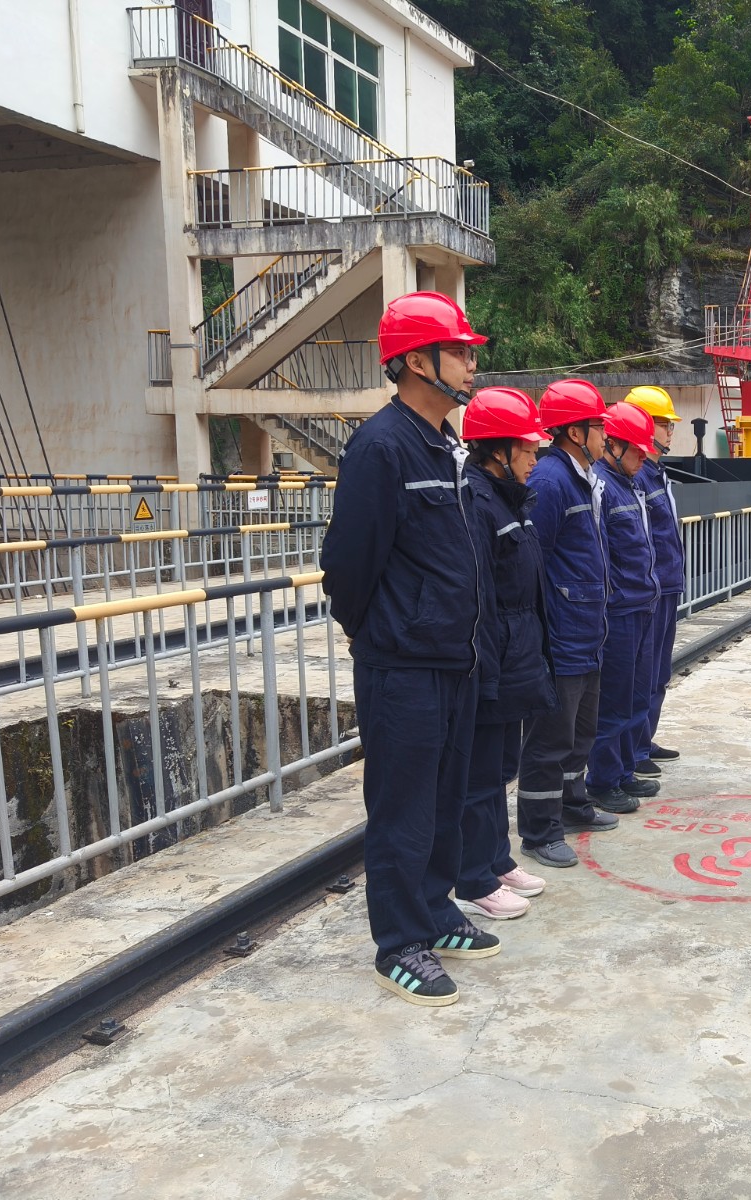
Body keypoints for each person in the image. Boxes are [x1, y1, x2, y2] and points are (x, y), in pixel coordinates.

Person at [320, 291, 500, 1008]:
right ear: (418, 363)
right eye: (460, 352)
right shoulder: (381, 447)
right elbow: (348, 563)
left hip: (454, 657)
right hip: (403, 664)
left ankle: (435, 909)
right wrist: (374, 633)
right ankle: (399, 943)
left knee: (445, 797)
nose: (471, 364)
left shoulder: (444, 445)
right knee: (402, 806)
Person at [456, 387, 556, 920]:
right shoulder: (478, 502)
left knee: (498, 768)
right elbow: (481, 595)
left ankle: (496, 860)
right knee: (479, 774)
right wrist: (488, 670)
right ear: (499, 450)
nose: (535, 459)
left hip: (516, 649)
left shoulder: (508, 498)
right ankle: (474, 878)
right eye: (528, 449)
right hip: (493, 655)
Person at [516, 379, 618, 869]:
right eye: (599, 426)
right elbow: (535, 560)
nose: (606, 435)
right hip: (563, 635)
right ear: (576, 433)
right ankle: (539, 830)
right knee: (550, 739)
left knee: (581, 732)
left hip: (587, 631)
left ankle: (574, 805)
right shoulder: (551, 481)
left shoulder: (582, 477)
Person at [585, 401, 661, 811]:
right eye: (636, 449)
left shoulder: (629, 484)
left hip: (641, 605)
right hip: (619, 612)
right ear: (613, 446)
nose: (643, 457)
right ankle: (603, 780)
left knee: (635, 695)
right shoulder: (602, 486)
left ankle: (625, 770)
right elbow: (600, 554)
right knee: (614, 700)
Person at [621, 386, 685, 777]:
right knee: (643, 674)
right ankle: (635, 748)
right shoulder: (639, 475)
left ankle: (645, 739)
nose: (669, 430)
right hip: (652, 588)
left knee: (658, 672)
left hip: (666, 584)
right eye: (663, 423)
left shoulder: (654, 471)